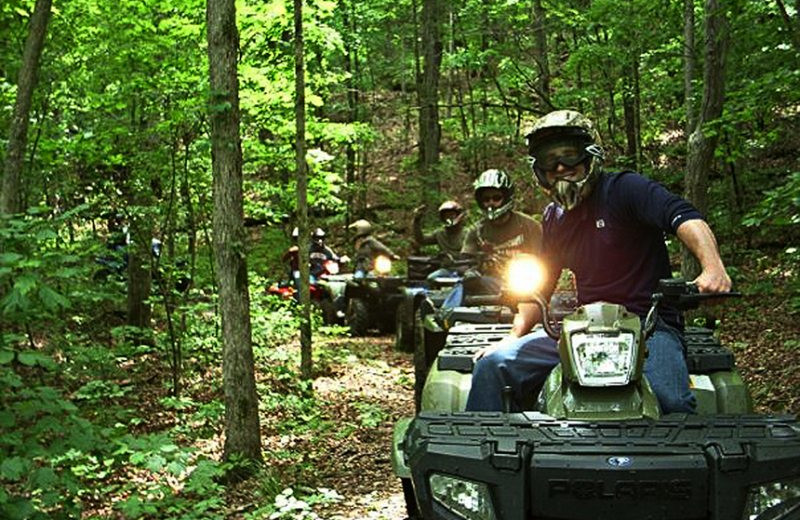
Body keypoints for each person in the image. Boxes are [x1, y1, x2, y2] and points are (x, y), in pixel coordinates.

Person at [465, 109, 732, 414]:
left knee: (668, 400)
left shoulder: (624, 189)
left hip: (650, 326)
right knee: (492, 366)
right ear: (538, 169)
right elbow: (542, 286)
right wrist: (514, 336)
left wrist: (713, 268)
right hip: (583, 329)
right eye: (549, 161)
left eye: (570, 155)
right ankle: (480, 457)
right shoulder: (554, 217)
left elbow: (683, 216)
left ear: (590, 155)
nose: (560, 167)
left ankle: (680, 460)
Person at [442, 169, 542, 307]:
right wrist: (469, 270)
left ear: (507, 197)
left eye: (496, 198)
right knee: (465, 284)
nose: (491, 203)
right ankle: (446, 315)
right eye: (486, 199)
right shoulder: (476, 231)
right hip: (491, 283)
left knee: (558, 302)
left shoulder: (530, 226)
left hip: (527, 285)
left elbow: (545, 258)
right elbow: (465, 259)